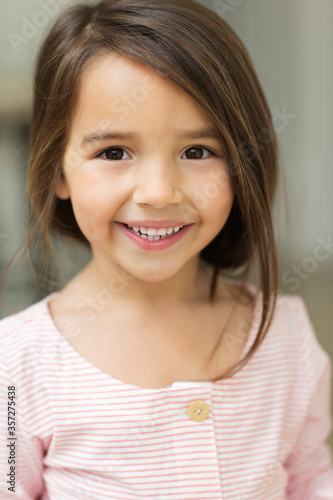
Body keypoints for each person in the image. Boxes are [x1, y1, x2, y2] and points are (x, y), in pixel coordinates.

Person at [0, 0, 332, 498]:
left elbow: (311, 480)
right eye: (114, 152)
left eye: (197, 152)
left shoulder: (285, 338)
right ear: (55, 171)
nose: (158, 192)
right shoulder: (17, 366)